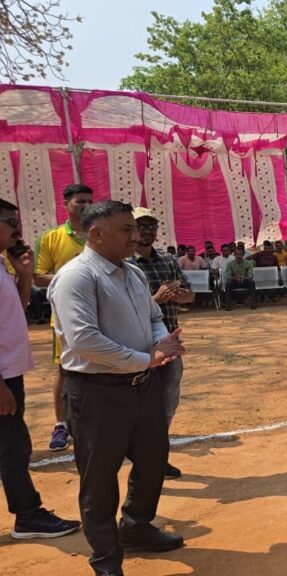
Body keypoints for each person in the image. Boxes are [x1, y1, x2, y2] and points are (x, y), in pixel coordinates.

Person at [48, 200, 186, 576]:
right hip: (97, 393)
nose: (136, 236)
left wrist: (159, 344)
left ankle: (136, 526)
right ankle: (106, 560)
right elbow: (84, 341)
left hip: (143, 387)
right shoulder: (77, 277)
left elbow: (154, 317)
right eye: (127, 229)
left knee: (153, 460)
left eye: (135, 228)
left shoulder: (133, 273)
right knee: (99, 480)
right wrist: (146, 358)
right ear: (96, 234)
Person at [0, 199, 82, 541]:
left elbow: (16, 311)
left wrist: (23, 276)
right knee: (13, 447)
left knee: (12, 444)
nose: (17, 229)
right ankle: (27, 515)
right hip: (2, 377)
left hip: (9, 372)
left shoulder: (2, 264)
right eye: (10, 221)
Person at [131, 207, 193, 479]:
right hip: (137, 346)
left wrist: (179, 296)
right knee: (137, 405)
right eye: (140, 225)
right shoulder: (125, 265)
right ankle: (139, 454)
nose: (147, 231)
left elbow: (190, 295)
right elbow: (122, 308)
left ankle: (156, 456)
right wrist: (156, 299)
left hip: (170, 346)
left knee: (167, 402)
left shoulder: (168, 261)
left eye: (151, 226)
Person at [33, 183, 93, 452]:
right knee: (64, 369)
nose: (86, 206)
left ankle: (92, 420)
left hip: (101, 314)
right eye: (80, 201)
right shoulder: (51, 238)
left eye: (90, 201)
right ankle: (60, 425)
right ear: (66, 204)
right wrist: (72, 279)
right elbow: (38, 276)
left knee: (100, 365)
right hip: (65, 317)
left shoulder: (100, 234)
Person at [224, 245, 256, 310]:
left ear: (243, 255)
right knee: (227, 284)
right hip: (234, 281)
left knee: (252, 282)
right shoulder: (230, 264)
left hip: (245, 281)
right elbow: (228, 276)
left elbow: (250, 275)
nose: (238, 256)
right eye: (237, 254)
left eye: (240, 254)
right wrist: (236, 278)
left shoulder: (248, 263)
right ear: (234, 255)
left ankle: (253, 302)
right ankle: (228, 304)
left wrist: (243, 277)